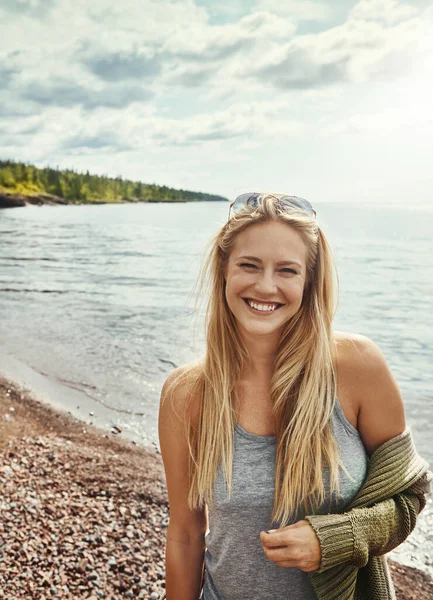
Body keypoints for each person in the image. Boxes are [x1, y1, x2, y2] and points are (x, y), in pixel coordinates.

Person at [158, 193, 431, 600]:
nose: (265, 286)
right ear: (224, 270)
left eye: (287, 270)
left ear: (308, 280)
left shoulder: (358, 368)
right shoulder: (187, 394)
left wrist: (335, 539)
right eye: (249, 265)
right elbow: (185, 534)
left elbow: (410, 496)